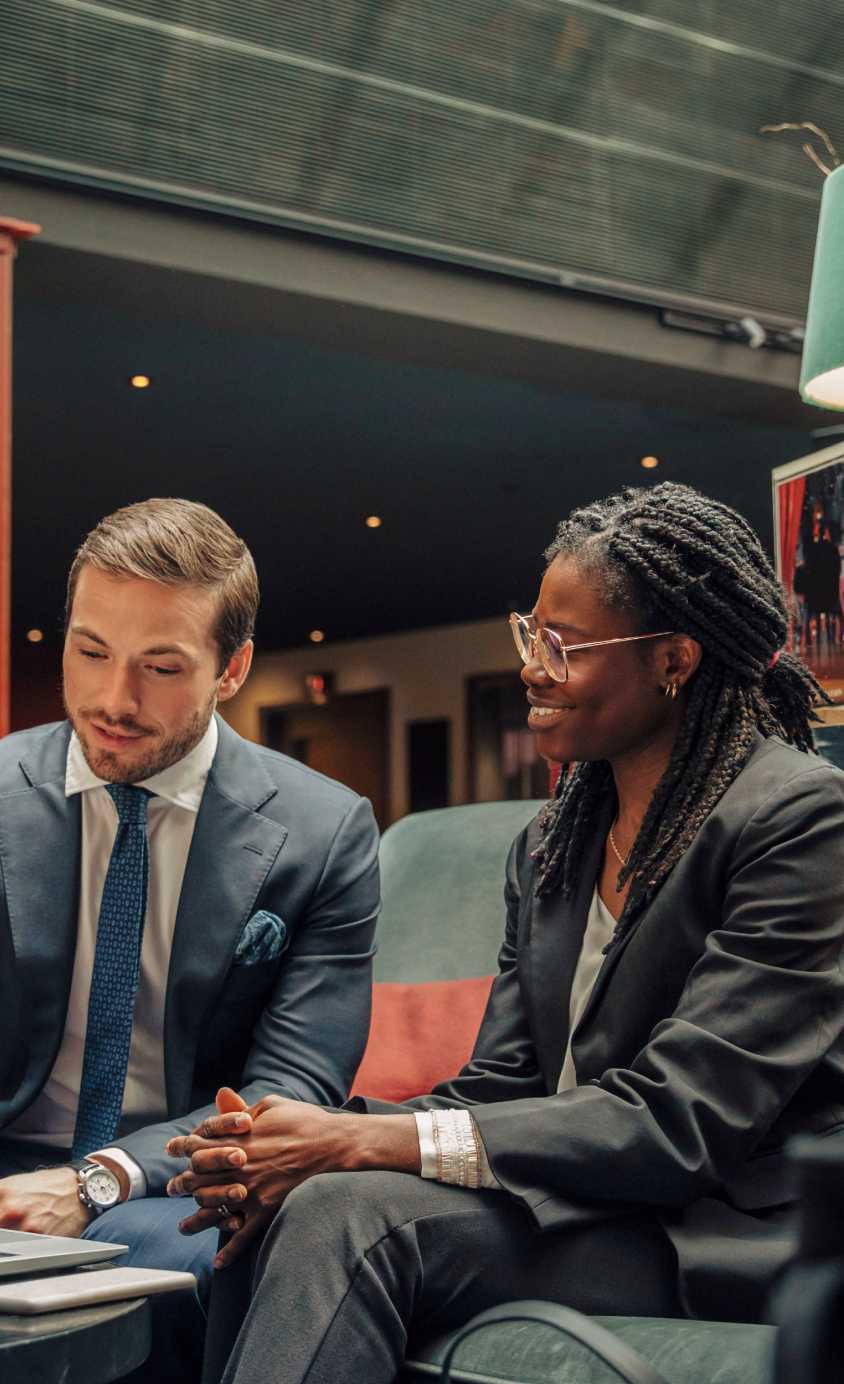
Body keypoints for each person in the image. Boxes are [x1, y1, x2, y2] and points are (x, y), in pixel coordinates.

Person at [168, 482, 844, 1384]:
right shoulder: (554, 843)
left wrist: (365, 1146)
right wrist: (310, 1134)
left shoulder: (801, 822)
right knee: (287, 1196)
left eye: (563, 645)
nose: (532, 666)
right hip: (574, 1201)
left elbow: (681, 1123)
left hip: (715, 1230)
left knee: (345, 1212)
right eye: (531, 634)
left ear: (674, 659)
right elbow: (505, 1080)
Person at [0, 498, 379, 1384]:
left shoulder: (324, 831)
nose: (112, 700)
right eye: (90, 652)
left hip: (175, 1180)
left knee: (152, 1251)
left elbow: (289, 1091)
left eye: (160, 668)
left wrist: (99, 1180)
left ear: (231, 668)